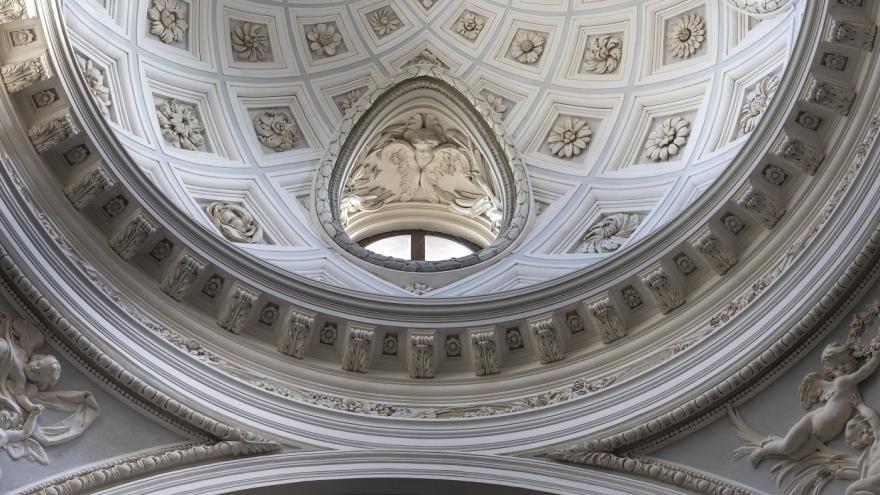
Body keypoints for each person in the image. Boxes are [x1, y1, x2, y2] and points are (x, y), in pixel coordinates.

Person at [749, 343, 880, 467]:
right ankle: (763, 451)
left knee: (796, 455)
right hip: (812, 422)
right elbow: (863, 373)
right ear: (832, 373)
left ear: (852, 360)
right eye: (836, 368)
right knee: (785, 447)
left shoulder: (849, 384)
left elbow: (861, 374)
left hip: (822, 437)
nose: (841, 368)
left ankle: (774, 440)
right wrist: (876, 358)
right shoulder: (842, 382)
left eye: (843, 363)